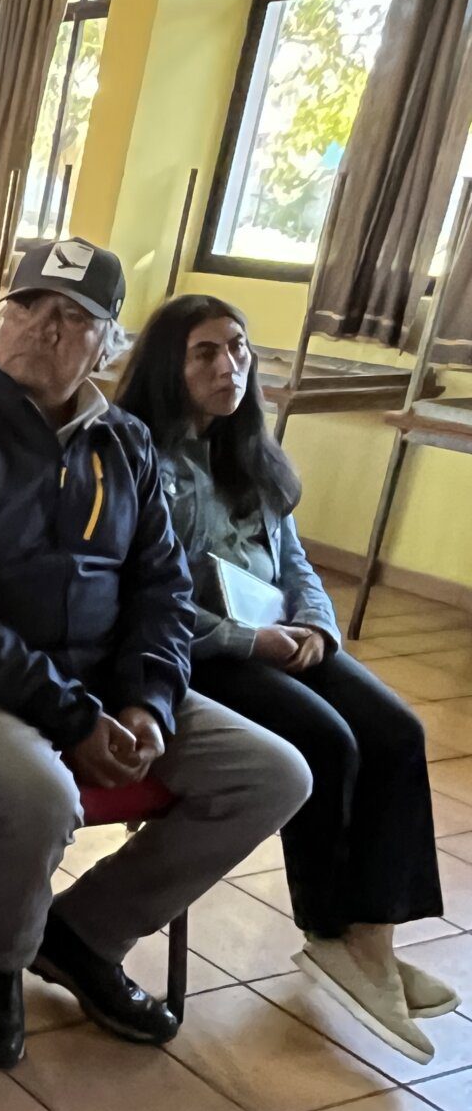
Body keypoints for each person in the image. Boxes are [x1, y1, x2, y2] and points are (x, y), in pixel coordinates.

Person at [0, 238, 312, 1069]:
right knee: (39, 792)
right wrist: (71, 717)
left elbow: (163, 590)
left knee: (275, 774)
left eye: (72, 317)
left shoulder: (125, 442)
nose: (42, 328)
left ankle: (83, 934)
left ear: (108, 345)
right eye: (25, 306)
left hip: (97, 681)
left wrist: (148, 701)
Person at [116, 294, 454, 1058]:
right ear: (168, 365)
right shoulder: (141, 456)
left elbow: (294, 559)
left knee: (396, 732)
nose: (229, 366)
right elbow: (141, 598)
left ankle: (372, 935)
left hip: (279, 632)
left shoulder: (251, 452)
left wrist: (318, 626)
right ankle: (333, 932)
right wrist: (249, 640)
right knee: (326, 739)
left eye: (239, 349)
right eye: (205, 352)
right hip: (200, 650)